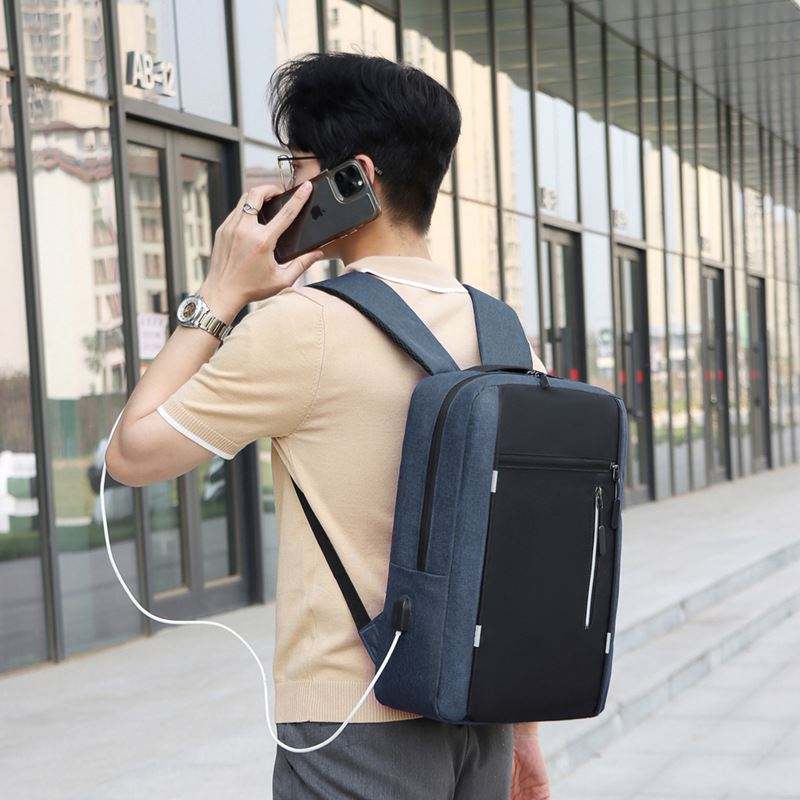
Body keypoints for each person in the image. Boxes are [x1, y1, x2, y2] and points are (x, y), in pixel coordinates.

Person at [106, 51, 551, 800]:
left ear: (358, 177)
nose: (289, 187)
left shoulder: (306, 325)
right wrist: (524, 737)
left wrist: (221, 291)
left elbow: (130, 453)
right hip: (483, 718)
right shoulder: (505, 333)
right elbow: (515, 546)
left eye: (299, 165)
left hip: (353, 724)